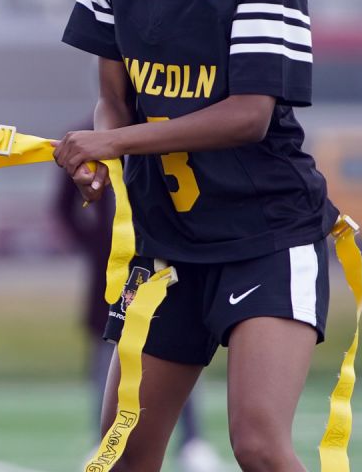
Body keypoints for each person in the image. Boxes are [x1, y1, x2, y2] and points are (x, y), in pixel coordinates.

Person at [53, 0, 341, 472]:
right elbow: (113, 99)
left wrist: (115, 142)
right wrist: (103, 152)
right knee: (124, 450)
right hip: (168, 244)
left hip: (265, 235)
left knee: (259, 446)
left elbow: (249, 116)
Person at [51, 125, 226, 472]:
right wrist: (93, 243)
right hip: (118, 264)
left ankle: (192, 440)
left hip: (173, 255)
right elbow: (62, 205)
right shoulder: (87, 132)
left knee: (179, 350)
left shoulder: (174, 121)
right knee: (110, 350)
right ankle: (104, 441)